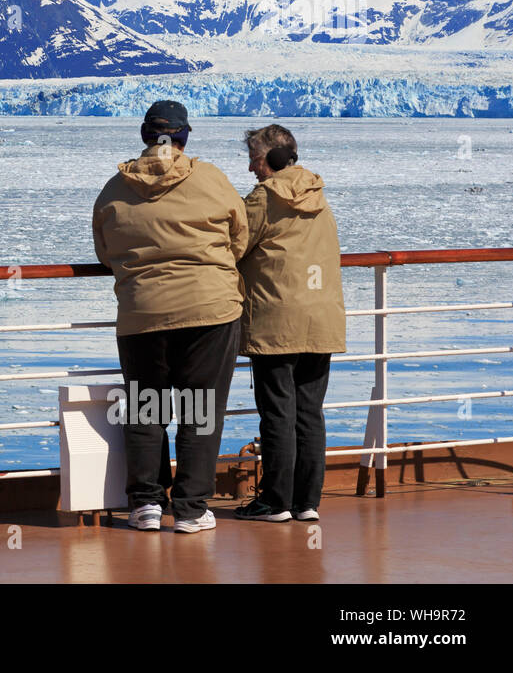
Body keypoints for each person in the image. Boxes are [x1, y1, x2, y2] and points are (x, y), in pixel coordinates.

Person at [92, 101, 248, 534]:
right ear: (184, 136)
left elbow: (105, 253)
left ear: (146, 135)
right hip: (209, 309)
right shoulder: (211, 178)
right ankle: (191, 509)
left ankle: (145, 505)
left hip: (142, 313)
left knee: (146, 406)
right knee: (200, 409)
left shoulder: (115, 187)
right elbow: (241, 235)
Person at [234, 125, 345, 523]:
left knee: (278, 412)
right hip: (320, 319)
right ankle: (307, 502)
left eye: (256, 158)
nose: (251, 167)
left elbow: (234, 244)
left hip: (276, 321)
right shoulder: (319, 194)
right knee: (309, 412)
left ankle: (275, 501)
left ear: (276, 160)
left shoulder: (264, 197)